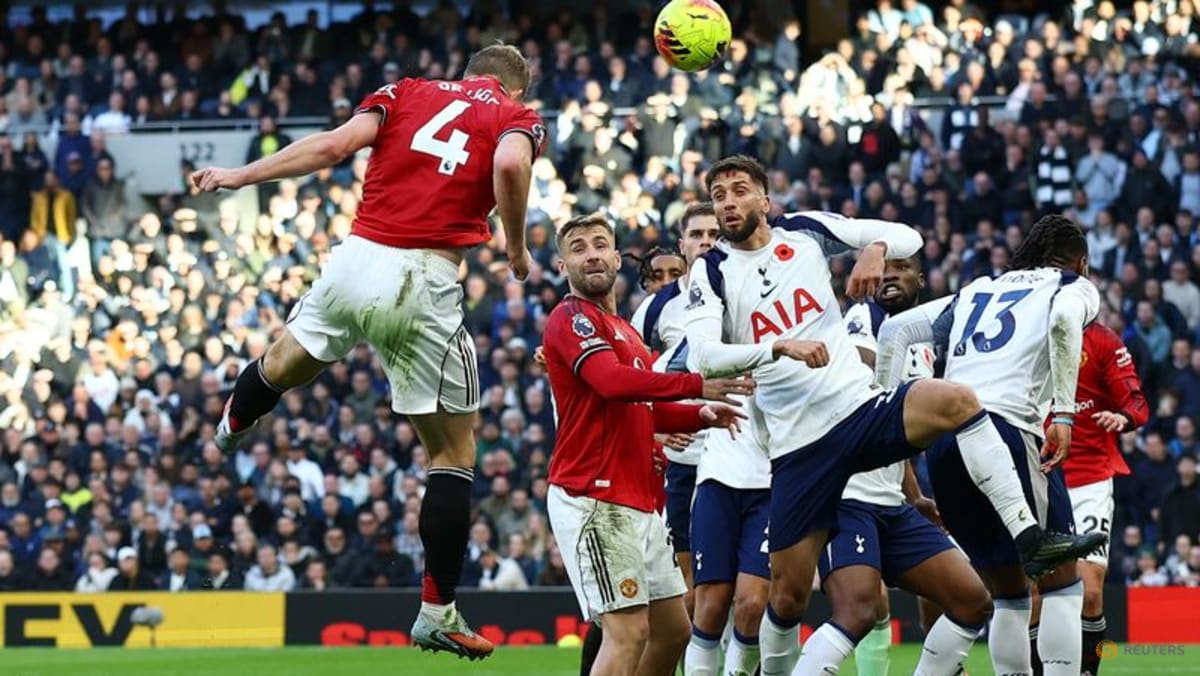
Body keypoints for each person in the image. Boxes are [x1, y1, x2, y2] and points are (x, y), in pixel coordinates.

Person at [682, 155, 1101, 675]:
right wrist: (778, 348)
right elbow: (702, 355)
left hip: (858, 409)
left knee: (959, 402)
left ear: (764, 200)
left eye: (738, 190)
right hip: (799, 445)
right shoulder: (712, 269)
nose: (727, 202)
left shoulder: (806, 231)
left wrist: (876, 249)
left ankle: (1029, 537)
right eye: (718, 194)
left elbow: (907, 236)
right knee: (786, 598)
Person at [191, 44, 544, 659]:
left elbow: (331, 146)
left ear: (465, 74)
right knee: (452, 454)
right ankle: (437, 611)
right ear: (514, 88)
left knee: (284, 364)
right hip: (423, 277)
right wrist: (514, 249)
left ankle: (232, 422)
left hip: (355, 258)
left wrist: (238, 176)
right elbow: (512, 167)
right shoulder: (515, 116)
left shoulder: (407, 90)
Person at [879, 215, 1109, 676]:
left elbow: (894, 332)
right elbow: (1065, 321)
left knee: (1008, 591)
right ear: (1080, 262)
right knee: (1062, 583)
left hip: (945, 446)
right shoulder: (1070, 287)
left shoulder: (978, 289)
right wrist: (1063, 413)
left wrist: (882, 420)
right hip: (1007, 433)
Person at [543, 213, 750, 676]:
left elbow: (643, 408)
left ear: (617, 258)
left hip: (637, 501)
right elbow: (612, 383)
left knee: (673, 629)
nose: (591, 254)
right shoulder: (571, 318)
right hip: (593, 496)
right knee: (627, 632)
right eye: (578, 248)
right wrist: (696, 383)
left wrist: (699, 414)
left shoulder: (629, 333)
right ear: (562, 266)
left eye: (600, 244)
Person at [812, 254, 992, 676]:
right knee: (858, 610)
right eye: (885, 268)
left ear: (920, 278)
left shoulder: (922, 341)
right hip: (847, 494)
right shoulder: (864, 316)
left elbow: (896, 428)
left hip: (891, 501)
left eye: (903, 268)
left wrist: (913, 495)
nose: (891, 274)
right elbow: (860, 370)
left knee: (972, 600)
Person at [632, 203, 770, 676]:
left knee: (747, 593)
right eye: (696, 234)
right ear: (683, 244)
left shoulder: (756, 282)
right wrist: (657, 422)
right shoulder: (656, 306)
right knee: (693, 592)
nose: (707, 241)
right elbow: (633, 372)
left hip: (742, 451)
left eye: (714, 232)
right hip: (683, 463)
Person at [1029, 320, 1148, 676]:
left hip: (1090, 480)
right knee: (1033, 596)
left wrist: (1124, 416)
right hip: (1039, 477)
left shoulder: (1102, 340)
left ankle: (1088, 671)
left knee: (1091, 591)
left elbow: (1136, 399)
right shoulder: (1029, 330)